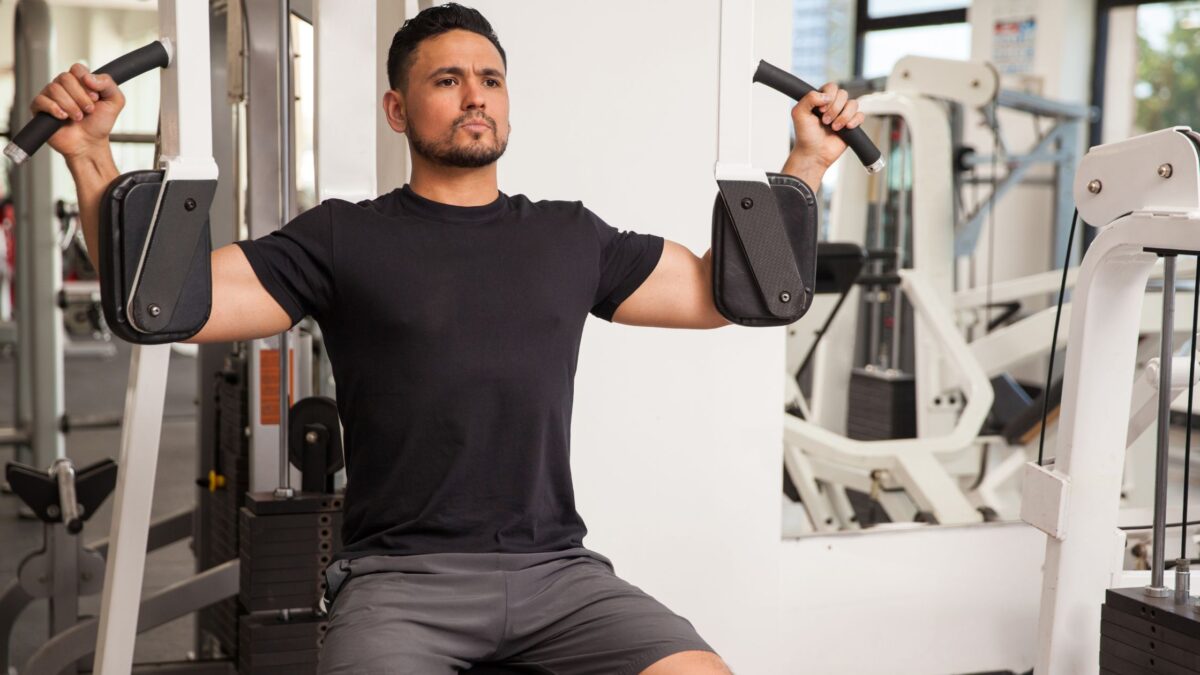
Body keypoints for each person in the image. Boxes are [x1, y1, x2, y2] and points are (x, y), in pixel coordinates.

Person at [34, 4, 863, 673]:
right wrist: (92, 158)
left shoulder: (573, 236)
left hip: (559, 575)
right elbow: (170, 303)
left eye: (491, 79)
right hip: (400, 583)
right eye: (448, 79)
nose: (476, 95)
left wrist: (807, 161)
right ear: (398, 108)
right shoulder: (340, 238)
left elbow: (727, 295)